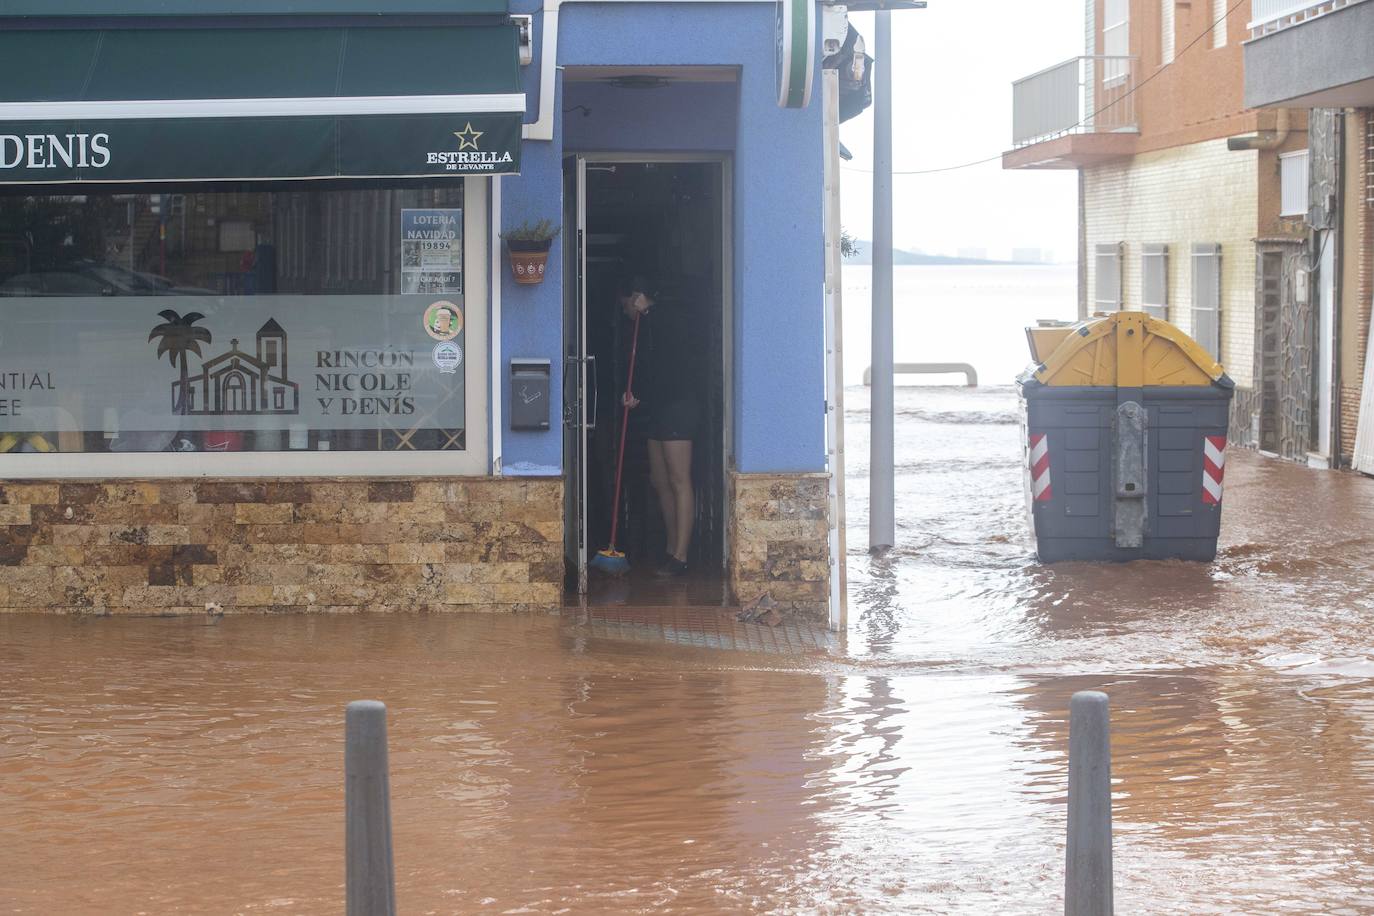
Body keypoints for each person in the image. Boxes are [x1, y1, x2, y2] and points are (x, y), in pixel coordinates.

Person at [618, 272, 702, 577]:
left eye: (626, 305)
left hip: (679, 405)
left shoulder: (667, 317)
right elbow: (648, 368)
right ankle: (670, 548)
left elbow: (675, 354)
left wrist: (649, 312)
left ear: (638, 298)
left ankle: (682, 556)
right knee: (660, 480)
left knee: (680, 480)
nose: (625, 312)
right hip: (657, 408)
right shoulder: (640, 328)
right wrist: (635, 395)